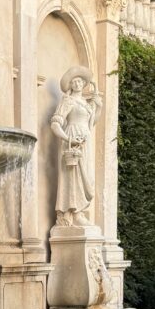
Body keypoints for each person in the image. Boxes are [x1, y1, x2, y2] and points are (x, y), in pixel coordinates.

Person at [50, 65, 103, 227]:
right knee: (74, 176)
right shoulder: (68, 100)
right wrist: (68, 140)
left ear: (84, 83)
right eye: (74, 82)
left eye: (80, 81)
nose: (77, 84)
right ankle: (74, 212)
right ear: (70, 85)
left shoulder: (85, 103)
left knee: (87, 174)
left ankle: (80, 212)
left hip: (86, 140)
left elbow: (91, 123)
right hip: (72, 139)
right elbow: (55, 124)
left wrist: (98, 107)